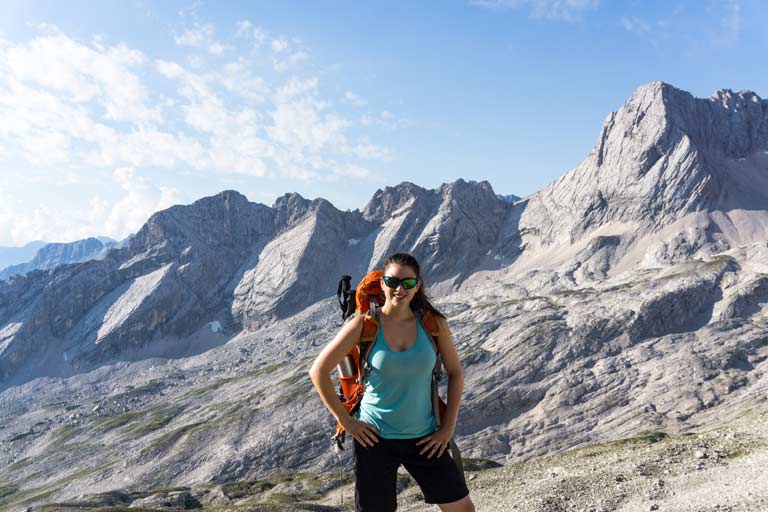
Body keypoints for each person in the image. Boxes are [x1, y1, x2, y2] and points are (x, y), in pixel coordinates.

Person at [309, 252, 475, 512]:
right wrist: (347, 422)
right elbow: (318, 371)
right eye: (393, 282)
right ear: (382, 283)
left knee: (463, 509)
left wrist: (447, 428)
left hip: (425, 437)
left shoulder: (433, 324)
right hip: (374, 439)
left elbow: (456, 372)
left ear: (418, 286)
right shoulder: (363, 325)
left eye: (408, 283)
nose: (400, 289)